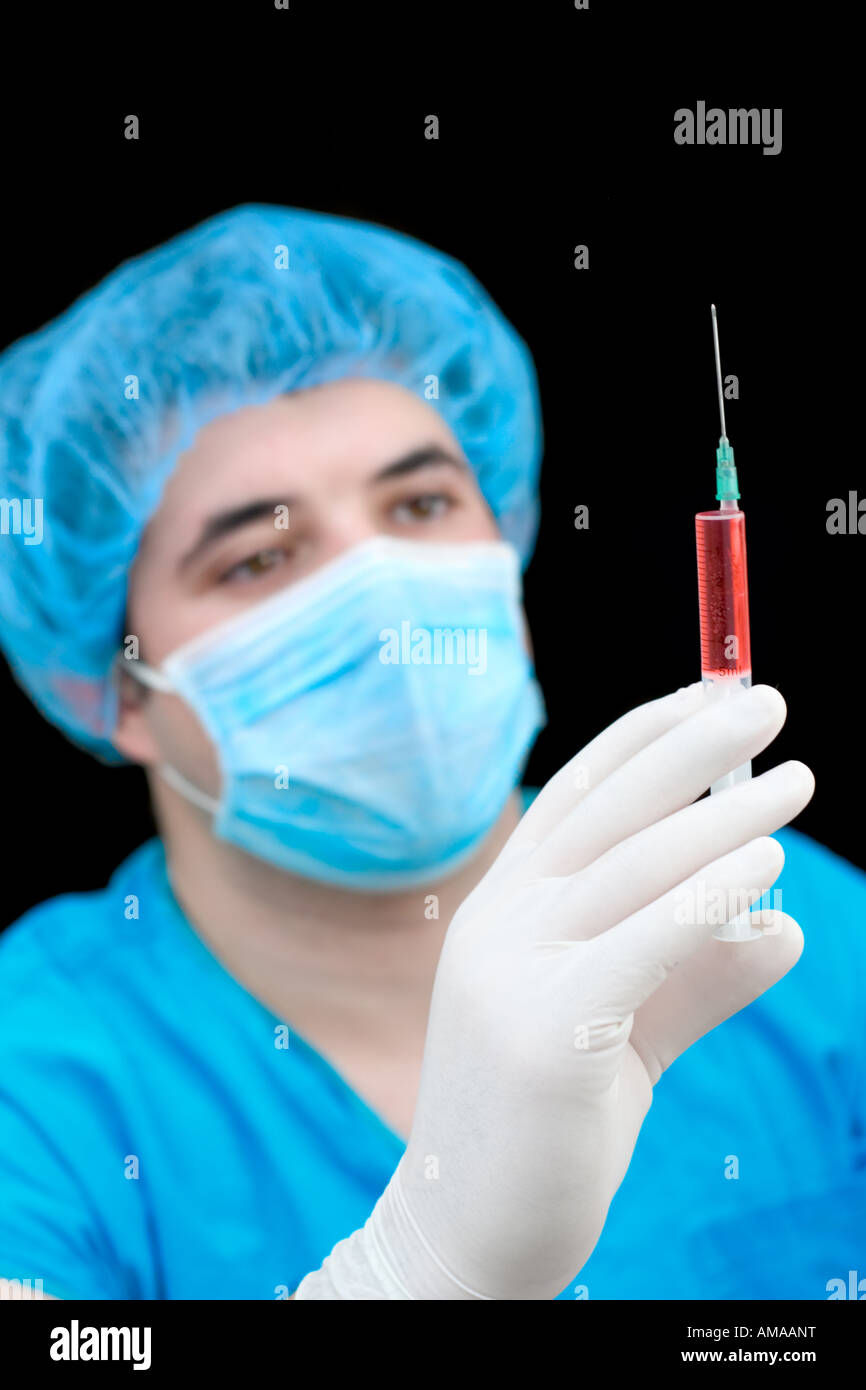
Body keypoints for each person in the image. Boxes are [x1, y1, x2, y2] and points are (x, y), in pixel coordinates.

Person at [0, 206, 857, 1301]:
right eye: (260, 557)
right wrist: (420, 1271)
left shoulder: (792, 934)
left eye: (420, 502)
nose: (382, 589)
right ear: (117, 683)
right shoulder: (37, 1084)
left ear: (502, 541)